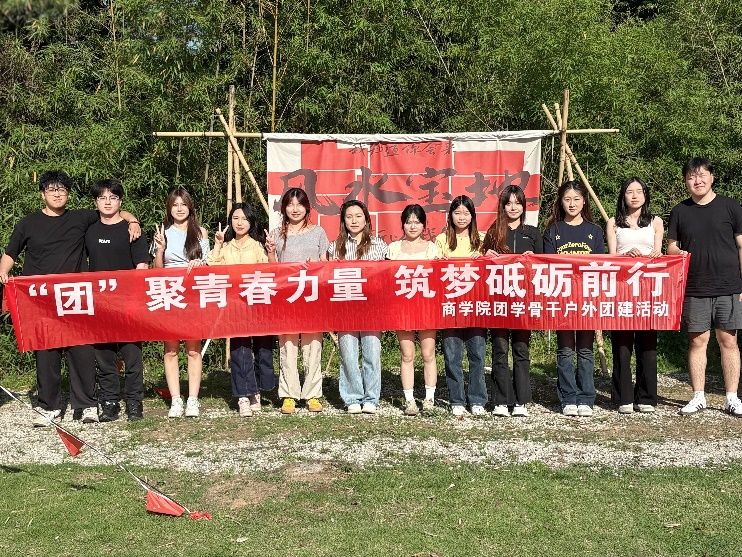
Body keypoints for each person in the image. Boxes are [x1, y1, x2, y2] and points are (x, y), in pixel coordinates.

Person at [0, 171, 141, 427]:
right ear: (42, 194)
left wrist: (133, 221)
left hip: (74, 298)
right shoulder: (28, 223)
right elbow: (11, 252)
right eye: (51, 190)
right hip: (41, 301)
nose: (57, 194)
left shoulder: (80, 218)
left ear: (68, 194)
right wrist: (3, 272)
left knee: (82, 351)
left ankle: (86, 404)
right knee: (46, 353)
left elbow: (112, 211)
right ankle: (49, 406)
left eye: (62, 190)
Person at [667, 157, 742, 417]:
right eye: (691, 177)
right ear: (685, 181)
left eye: (701, 175)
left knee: (728, 340)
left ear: (712, 177)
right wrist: (677, 251)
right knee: (697, 341)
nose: (697, 181)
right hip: (694, 286)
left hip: (728, 285)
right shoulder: (680, 211)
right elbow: (671, 246)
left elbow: (741, 245)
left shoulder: (730, 206)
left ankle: (732, 397)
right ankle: (698, 396)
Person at [85, 179, 150, 422]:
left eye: (113, 197)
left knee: (132, 355)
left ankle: (134, 402)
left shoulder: (132, 230)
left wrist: (135, 299)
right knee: (104, 357)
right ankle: (110, 402)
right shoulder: (89, 230)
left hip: (128, 303)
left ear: (120, 201)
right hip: (100, 304)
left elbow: (142, 266)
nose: (107, 202)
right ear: (96, 202)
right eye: (102, 198)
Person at [543, 180, 605, 417]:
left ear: (584, 201)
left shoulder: (595, 231)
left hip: (587, 298)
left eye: (576, 199)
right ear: (561, 202)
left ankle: (586, 398)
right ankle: (568, 398)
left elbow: (600, 265)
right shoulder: (553, 230)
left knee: (586, 350)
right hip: (562, 299)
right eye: (567, 199)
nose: (572, 204)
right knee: (565, 350)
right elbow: (548, 265)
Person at [209, 203, 276, 417]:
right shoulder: (226, 248)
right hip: (235, 307)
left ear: (251, 222)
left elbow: (271, 271)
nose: (239, 223)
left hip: (257, 305)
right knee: (240, 350)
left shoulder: (257, 246)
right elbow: (212, 268)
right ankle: (244, 396)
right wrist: (218, 244)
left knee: (262, 349)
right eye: (235, 218)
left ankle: (257, 389)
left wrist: (271, 252)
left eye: (244, 219)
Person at [481, 185, 543, 417]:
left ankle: (521, 401)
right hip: (499, 300)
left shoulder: (533, 233)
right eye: (509, 203)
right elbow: (482, 265)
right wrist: (487, 256)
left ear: (524, 206)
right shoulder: (494, 232)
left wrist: (534, 259)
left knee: (521, 349)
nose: (513, 207)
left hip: (524, 301)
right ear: (503, 206)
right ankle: (500, 400)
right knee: (499, 349)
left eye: (518, 203)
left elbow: (545, 265)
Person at [266, 188, 329, 415]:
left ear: (307, 208)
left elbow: (325, 264)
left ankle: (312, 394)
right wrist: (271, 252)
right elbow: (273, 269)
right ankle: (289, 395)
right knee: (288, 346)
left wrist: (317, 266)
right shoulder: (276, 234)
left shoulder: (318, 232)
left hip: (312, 296)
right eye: (290, 204)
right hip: (287, 297)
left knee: (313, 346)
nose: (295, 209)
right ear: (284, 208)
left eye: (299, 204)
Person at [606, 177, 663, 414]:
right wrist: (626, 255)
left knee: (647, 344)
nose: (635, 195)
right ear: (623, 196)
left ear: (645, 195)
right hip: (622, 288)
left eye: (639, 191)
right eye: (630, 191)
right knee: (621, 344)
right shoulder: (613, 223)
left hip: (649, 288)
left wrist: (650, 256)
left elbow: (659, 254)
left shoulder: (656, 222)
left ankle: (646, 397)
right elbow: (611, 257)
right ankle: (623, 397)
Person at [153, 187, 209, 418]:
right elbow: (157, 270)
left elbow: (209, 264)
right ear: (169, 208)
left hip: (193, 295)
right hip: (170, 294)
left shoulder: (200, 232)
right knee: (171, 349)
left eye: (183, 204)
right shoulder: (162, 233)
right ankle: (176, 399)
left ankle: (193, 399)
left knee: (194, 349)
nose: (179, 209)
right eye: (175, 204)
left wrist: (199, 264)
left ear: (190, 207)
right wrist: (160, 250)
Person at [327, 199, 388, 414]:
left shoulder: (379, 245)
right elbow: (328, 278)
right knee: (348, 355)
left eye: (358, 216)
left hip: (372, 308)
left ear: (366, 219)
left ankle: (371, 398)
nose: (354, 221)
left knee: (372, 354)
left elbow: (386, 277)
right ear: (343, 221)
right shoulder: (335, 247)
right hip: (345, 308)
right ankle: (352, 397)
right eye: (349, 217)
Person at [434, 195, 487, 417]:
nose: (462, 217)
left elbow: (491, 269)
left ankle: (477, 399)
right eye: (457, 213)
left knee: (477, 354)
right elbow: (434, 271)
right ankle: (456, 399)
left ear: (473, 216)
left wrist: (483, 259)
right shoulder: (441, 240)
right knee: (452, 355)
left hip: (475, 305)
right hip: (450, 305)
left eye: (466, 213)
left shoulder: (482, 239)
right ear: (450, 216)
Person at [387, 204, 441, 416]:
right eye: (408, 222)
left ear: (424, 225)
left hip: (427, 307)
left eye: (417, 222)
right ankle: (409, 400)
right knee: (407, 354)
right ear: (402, 224)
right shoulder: (393, 249)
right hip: (402, 308)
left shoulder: (432, 249)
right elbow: (386, 278)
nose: (412, 226)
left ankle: (429, 399)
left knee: (428, 354)